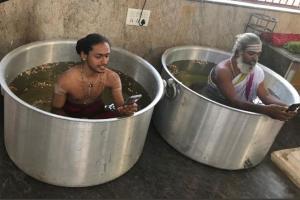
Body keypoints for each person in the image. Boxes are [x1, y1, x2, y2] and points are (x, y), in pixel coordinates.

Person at [206, 32, 297, 121]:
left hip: (240, 111)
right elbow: (235, 100)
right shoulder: (223, 71)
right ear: (238, 52)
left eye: (258, 54)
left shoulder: (256, 71)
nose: (255, 59)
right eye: (251, 53)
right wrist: (265, 110)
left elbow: (265, 96)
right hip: (214, 109)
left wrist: (287, 107)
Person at [51, 33, 137, 119]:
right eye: (98, 56)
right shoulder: (66, 80)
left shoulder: (112, 78)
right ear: (84, 55)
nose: (105, 62)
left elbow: (120, 107)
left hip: (97, 111)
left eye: (107, 56)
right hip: (71, 112)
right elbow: (56, 110)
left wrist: (127, 110)